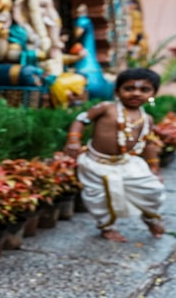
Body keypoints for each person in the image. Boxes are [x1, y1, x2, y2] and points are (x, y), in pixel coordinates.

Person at [63, 68, 165, 243]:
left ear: (153, 93)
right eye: (129, 88)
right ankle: (107, 227)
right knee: (99, 198)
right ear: (117, 91)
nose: (136, 93)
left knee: (152, 190)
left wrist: (154, 166)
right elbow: (81, 119)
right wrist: (73, 140)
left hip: (127, 162)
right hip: (96, 163)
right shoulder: (106, 108)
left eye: (144, 90)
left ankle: (151, 218)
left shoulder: (146, 118)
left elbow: (148, 143)